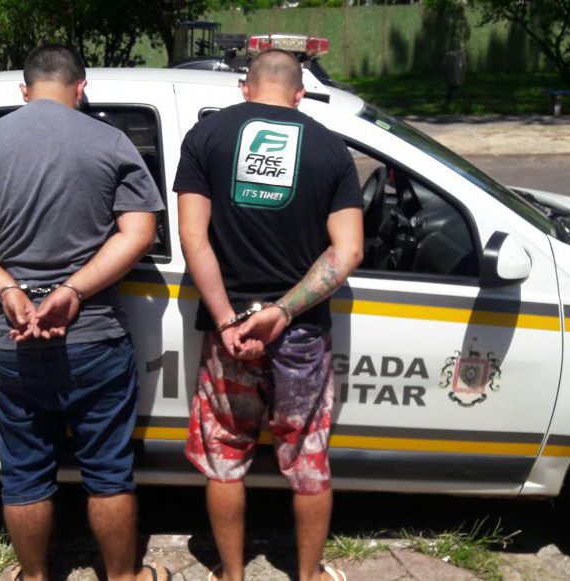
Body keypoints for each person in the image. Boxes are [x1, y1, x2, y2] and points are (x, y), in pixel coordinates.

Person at [0, 45, 169, 581]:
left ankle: (35, 576)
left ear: (25, 90)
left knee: (23, 474)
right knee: (108, 473)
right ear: (80, 88)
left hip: (13, 338)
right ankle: (123, 577)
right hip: (94, 337)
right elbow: (139, 233)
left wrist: (7, 289)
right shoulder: (111, 142)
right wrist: (74, 290)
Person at [174, 49, 364, 581]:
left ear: (245, 87)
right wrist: (281, 312)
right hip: (299, 333)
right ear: (299, 94)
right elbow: (348, 250)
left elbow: (192, 236)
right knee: (308, 459)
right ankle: (308, 575)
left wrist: (226, 319)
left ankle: (231, 574)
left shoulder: (206, 137)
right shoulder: (330, 147)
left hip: (229, 333)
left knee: (225, 458)